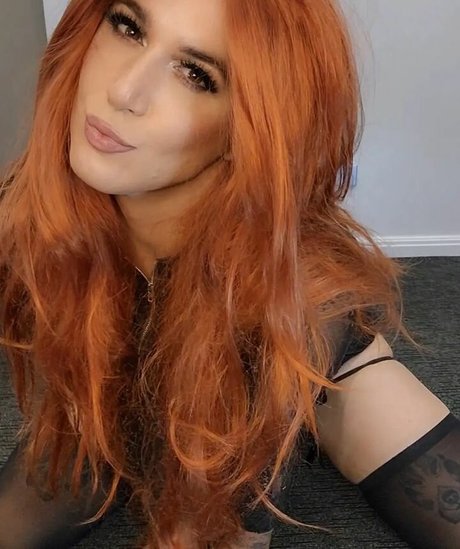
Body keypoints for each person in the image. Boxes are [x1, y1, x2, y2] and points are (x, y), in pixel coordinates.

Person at [0, 0, 458, 547]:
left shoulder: (277, 303)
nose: (123, 91)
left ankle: (309, 404)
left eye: (196, 75)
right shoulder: (37, 201)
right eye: (128, 27)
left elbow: (215, 528)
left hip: (289, 355)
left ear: (251, 127)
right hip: (136, 361)